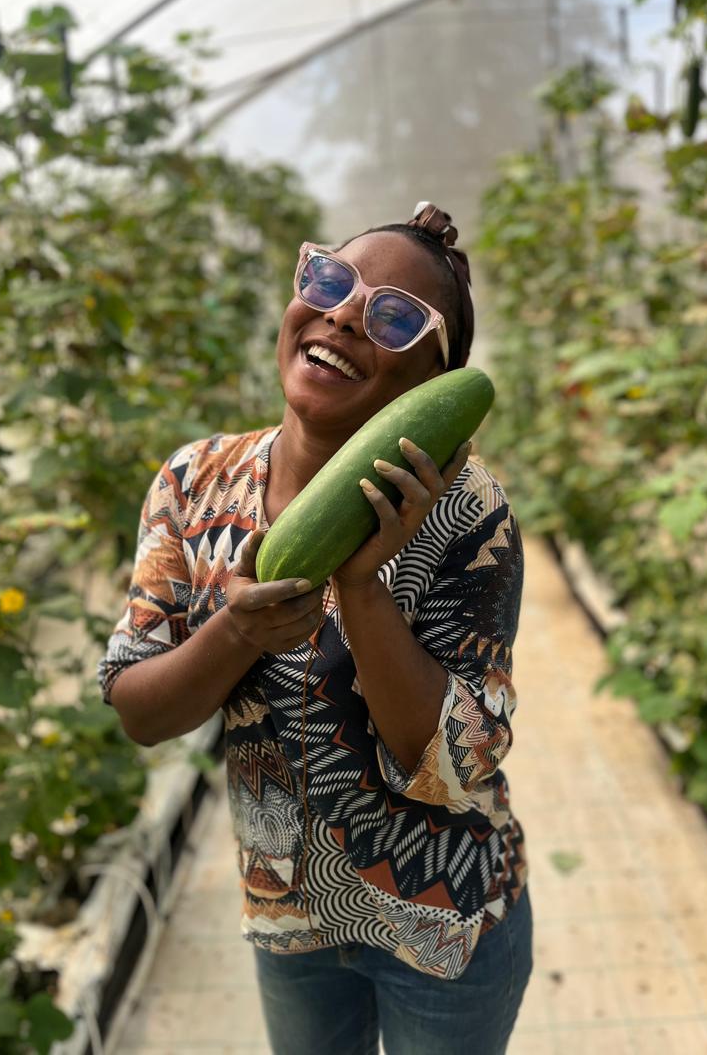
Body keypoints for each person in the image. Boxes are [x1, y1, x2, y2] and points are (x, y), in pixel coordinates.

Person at [98, 201, 532, 1054]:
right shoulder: (193, 483)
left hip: (445, 922)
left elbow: (452, 766)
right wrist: (237, 633)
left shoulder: (468, 514)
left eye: (395, 318)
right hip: (287, 914)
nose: (343, 315)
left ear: (431, 385)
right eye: (331, 280)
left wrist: (361, 585)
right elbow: (139, 712)